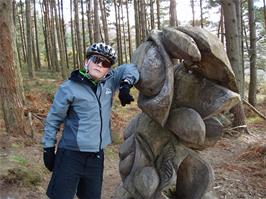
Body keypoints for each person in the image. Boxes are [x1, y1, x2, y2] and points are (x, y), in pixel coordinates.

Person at [42, 42, 139, 199]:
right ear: (87, 62)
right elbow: (53, 120)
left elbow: (132, 68)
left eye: (105, 63)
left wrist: (125, 85)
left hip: (96, 156)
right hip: (70, 155)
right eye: (96, 59)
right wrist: (48, 148)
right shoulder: (69, 87)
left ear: (108, 68)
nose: (100, 65)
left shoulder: (110, 81)